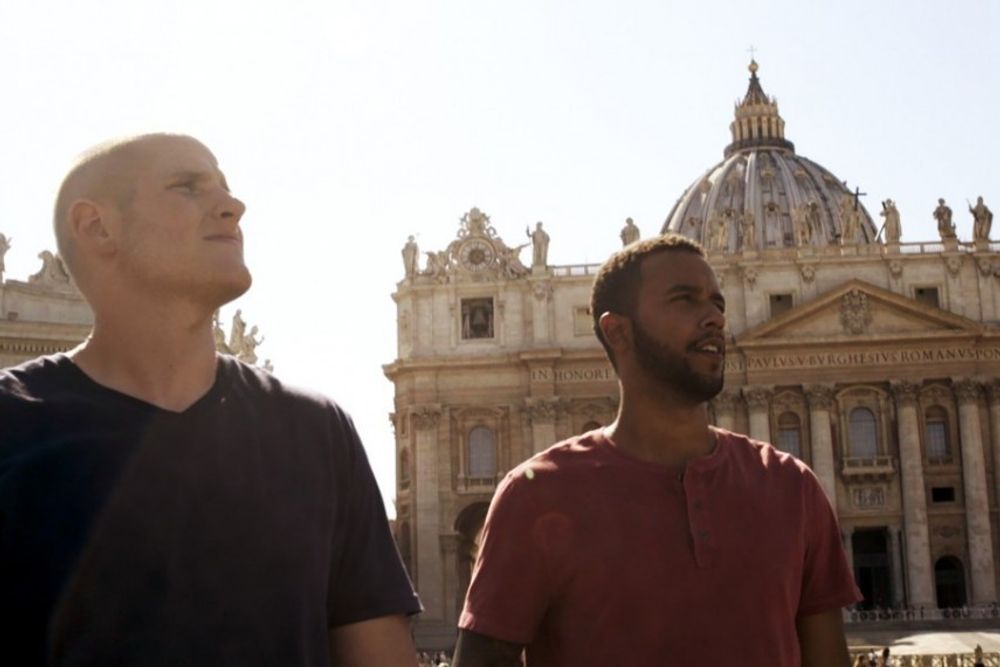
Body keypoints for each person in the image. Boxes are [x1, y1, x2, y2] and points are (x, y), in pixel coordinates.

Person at [0, 134, 421, 666]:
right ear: (97, 227)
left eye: (226, 187)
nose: (233, 205)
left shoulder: (317, 430)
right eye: (188, 186)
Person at [453, 234, 860, 666]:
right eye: (685, 300)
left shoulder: (793, 488)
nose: (714, 318)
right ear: (618, 331)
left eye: (718, 304)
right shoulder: (534, 495)